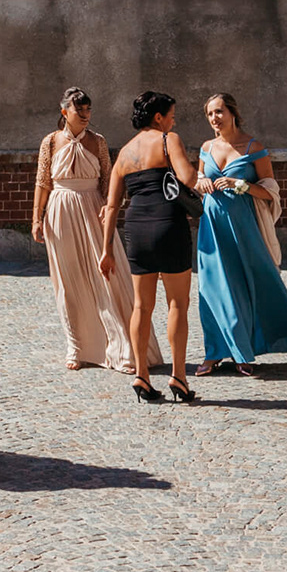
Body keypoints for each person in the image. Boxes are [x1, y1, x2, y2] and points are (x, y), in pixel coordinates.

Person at [32, 88, 159, 374]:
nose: (85, 115)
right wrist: (36, 219)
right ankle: (76, 346)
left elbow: (109, 180)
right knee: (68, 280)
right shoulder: (50, 142)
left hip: (93, 210)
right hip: (60, 210)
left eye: (88, 109)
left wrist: (109, 210)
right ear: (65, 112)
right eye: (79, 110)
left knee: (107, 277)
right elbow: (42, 182)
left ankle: (120, 346)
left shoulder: (98, 141)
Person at [195, 93, 287, 374]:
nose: (214, 118)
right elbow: (199, 179)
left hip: (244, 228)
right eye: (210, 114)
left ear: (232, 113)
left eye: (219, 112)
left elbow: (270, 191)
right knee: (211, 288)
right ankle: (213, 352)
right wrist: (201, 182)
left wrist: (240, 185)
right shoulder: (206, 147)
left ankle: (242, 353)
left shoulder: (255, 147)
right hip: (211, 228)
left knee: (244, 286)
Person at [99, 91, 207, 405]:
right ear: (158, 117)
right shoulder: (168, 139)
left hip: (136, 230)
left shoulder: (124, 153)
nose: (173, 121)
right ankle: (179, 376)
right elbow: (188, 178)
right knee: (177, 303)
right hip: (168, 225)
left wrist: (106, 250)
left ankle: (142, 375)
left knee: (141, 307)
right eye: (171, 115)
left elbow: (111, 206)